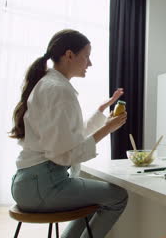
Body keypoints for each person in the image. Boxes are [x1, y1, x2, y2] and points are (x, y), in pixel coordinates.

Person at [9, 29, 128, 238]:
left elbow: (69, 137)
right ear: (69, 55)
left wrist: (101, 111)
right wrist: (107, 128)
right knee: (118, 197)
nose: (89, 63)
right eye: (87, 56)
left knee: (102, 196)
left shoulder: (48, 84)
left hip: (27, 183)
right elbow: (64, 155)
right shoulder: (59, 90)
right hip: (44, 185)